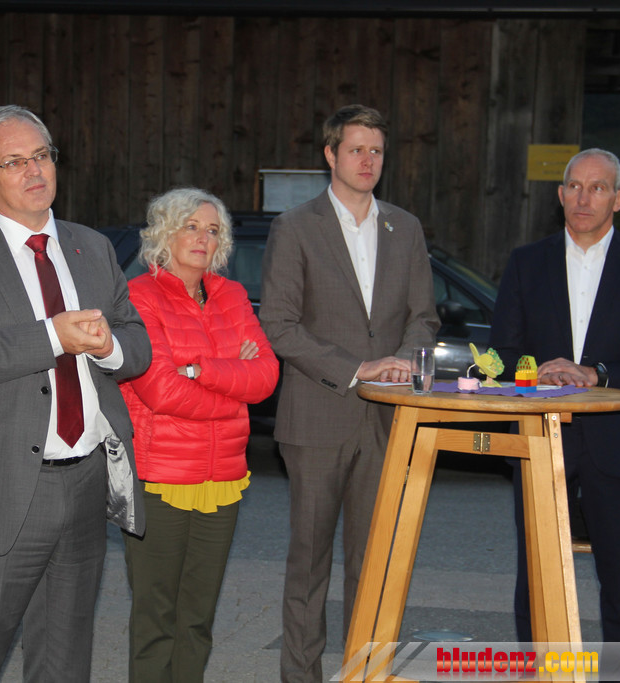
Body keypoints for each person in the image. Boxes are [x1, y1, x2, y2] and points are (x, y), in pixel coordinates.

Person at [0, 104, 151, 682]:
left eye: (42, 155)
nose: (34, 170)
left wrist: (107, 348)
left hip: (85, 484)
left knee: (64, 664)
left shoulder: (92, 247)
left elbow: (137, 342)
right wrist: (51, 337)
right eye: (14, 161)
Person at [259, 104, 440, 683]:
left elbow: (424, 317)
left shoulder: (405, 227)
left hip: (388, 420)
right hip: (317, 416)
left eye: (376, 151)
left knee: (374, 565)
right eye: (356, 149)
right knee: (309, 565)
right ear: (330, 155)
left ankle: (367, 674)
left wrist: (403, 362)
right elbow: (279, 326)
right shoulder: (295, 227)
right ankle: (301, 676)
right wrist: (360, 369)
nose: (367, 160)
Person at [489, 148, 620, 646]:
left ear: (618, 199)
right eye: (574, 186)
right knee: (536, 582)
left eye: (598, 188)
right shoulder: (526, 263)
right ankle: (540, 677)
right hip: (540, 437)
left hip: (618, 443)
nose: (584, 198)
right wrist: (539, 372)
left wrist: (597, 374)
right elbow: (501, 355)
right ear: (560, 195)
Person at [119, 187, 279, 682]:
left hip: (223, 478)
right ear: (164, 232)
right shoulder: (137, 296)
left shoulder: (232, 295)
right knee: (156, 617)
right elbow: (160, 390)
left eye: (212, 230)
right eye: (191, 226)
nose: (202, 238)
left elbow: (266, 378)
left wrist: (199, 370)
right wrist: (232, 380)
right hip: (160, 477)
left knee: (198, 617)